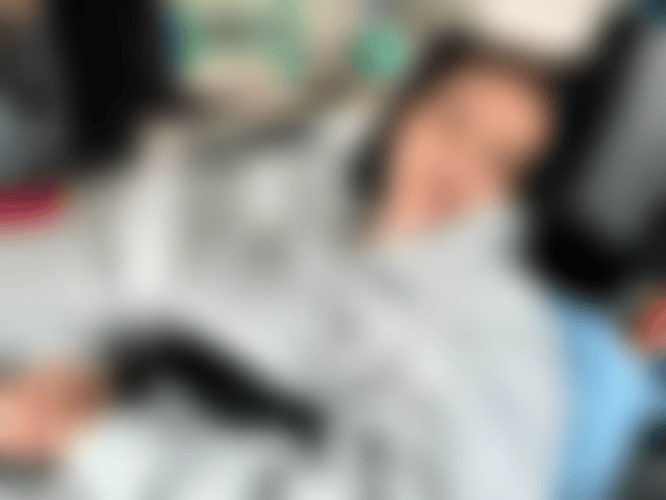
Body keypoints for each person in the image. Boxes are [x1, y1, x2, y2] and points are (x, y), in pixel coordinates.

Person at [0, 33, 566, 499]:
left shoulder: (496, 330)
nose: (459, 166)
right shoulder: (297, 201)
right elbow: (138, 279)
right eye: (454, 124)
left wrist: (105, 444)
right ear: (405, 112)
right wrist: (82, 380)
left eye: (502, 159)